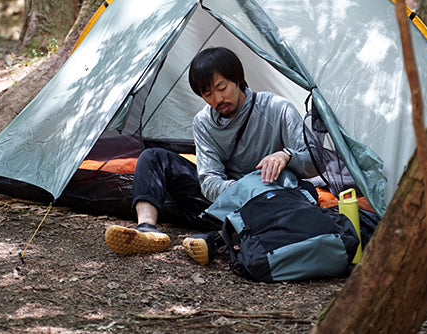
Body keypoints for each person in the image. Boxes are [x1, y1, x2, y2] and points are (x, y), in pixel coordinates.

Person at [104, 46, 316, 264]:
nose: (217, 99)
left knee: (305, 194)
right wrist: (236, 190)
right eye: (207, 94)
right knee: (153, 158)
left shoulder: (276, 108)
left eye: (222, 88)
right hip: (224, 200)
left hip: (269, 196)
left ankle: (217, 238)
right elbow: (209, 180)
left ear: (238, 79)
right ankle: (147, 229)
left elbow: (315, 162)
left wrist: (285, 155)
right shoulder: (204, 122)